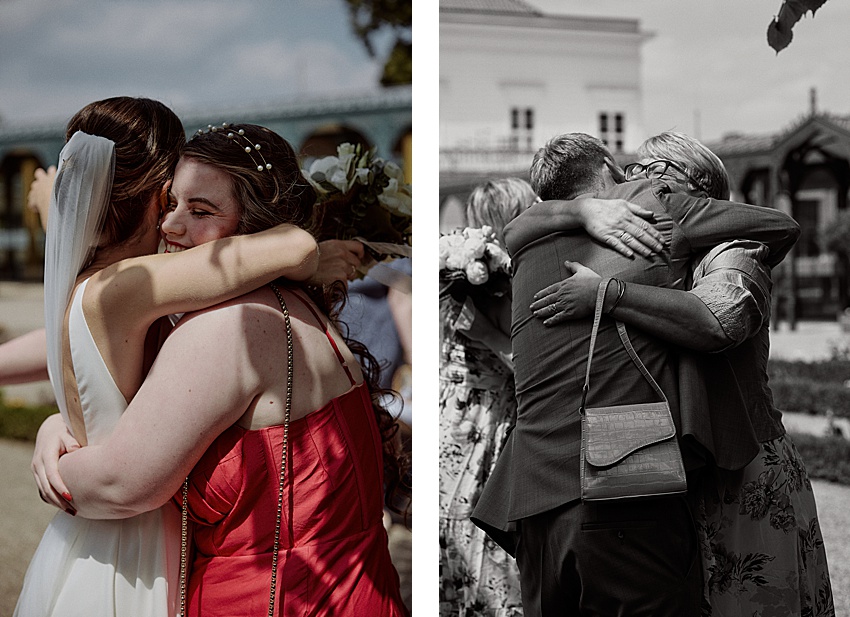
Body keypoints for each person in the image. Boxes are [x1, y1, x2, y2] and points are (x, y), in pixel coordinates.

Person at [35, 122, 407, 616]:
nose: (171, 226)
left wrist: (56, 464)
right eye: (171, 206)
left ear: (255, 227)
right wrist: (58, 420)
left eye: (202, 211)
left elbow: (119, 484)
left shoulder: (232, 325)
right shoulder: (294, 304)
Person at [471, 132, 802, 616]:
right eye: (633, 170)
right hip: (620, 483)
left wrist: (579, 213)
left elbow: (522, 222)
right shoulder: (656, 205)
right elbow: (783, 226)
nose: (640, 178)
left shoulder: (524, 240)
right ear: (607, 166)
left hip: (532, 498)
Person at [439, 177, 667, 616]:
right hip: (490, 424)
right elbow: (533, 370)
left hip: (457, 422)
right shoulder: (516, 276)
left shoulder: (462, 279)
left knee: (472, 540)